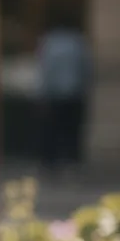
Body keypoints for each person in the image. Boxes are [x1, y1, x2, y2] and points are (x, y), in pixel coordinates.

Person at [37, 9, 91, 171]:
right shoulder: (78, 42)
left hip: (55, 95)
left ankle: (52, 163)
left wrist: (42, 94)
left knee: (53, 130)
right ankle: (69, 162)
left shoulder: (49, 43)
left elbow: (45, 71)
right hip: (74, 94)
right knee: (70, 131)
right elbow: (86, 69)